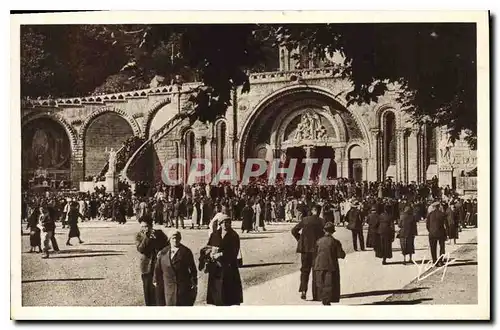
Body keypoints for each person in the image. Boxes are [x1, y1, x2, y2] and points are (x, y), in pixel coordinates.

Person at [154, 230, 198, 306]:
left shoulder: (186, 252)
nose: (175, 240)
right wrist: (155, 279)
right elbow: (158, 268)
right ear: (169, 239)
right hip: (168, 285)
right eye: (173, 238)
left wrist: (194, 281)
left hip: (182, 285)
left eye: (177, 238)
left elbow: (192, 268)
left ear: (180, 238)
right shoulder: (163, 252)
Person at [291, 205, 325, 301]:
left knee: (305, 270)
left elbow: (294, 231)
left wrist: (300, 239)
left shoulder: (305, 220)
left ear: (312, 210)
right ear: (319, 211)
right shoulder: (322, 221)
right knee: (316, 271)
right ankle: (316, 294)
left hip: (305, 249)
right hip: (317, 249)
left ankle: (303, 291)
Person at [135, 217, 169, 306]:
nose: (143, 229)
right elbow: (140, 249)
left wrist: (161, 251)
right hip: (146, 266)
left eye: (146, 226)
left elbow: (167, 246)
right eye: (142, 226)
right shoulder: (139, 235)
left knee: (158, 289)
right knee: (148, 290)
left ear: (151, 226)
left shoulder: (159, 233)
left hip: (159, 265)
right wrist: (147, 237)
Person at [314, 222, 346, 305]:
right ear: (333, 232)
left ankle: (323, 300)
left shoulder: (318, 241)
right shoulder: (335, 242)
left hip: (319, 265)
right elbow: (341, 255)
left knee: (321, 283)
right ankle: (326, 302)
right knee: (329, 284)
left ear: (324, 230)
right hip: (331, 265)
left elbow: (315, 252)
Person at [218, 216, 243, 305]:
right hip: (217, 267)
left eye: (226, 222)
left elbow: (234, 252)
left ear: (230, 223)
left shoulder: (234, 235)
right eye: (222, 223)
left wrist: (221, 254)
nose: (224, 225)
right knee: (218, 293)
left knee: (230, 294)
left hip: (229, 267)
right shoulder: (216, 234)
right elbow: (209, 245)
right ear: (219, 224)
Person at [426, 201, 448, 266]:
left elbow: (427, 225)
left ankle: (434, 261)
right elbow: (446, 225)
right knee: (442, 247)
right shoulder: (442, 214)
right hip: (441, 232)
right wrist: (446, 233)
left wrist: (430, 230)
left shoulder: (430, 214)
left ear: (433, 207)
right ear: (439, 207)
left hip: (432, 233)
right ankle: (441, 261)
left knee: (433, 248)